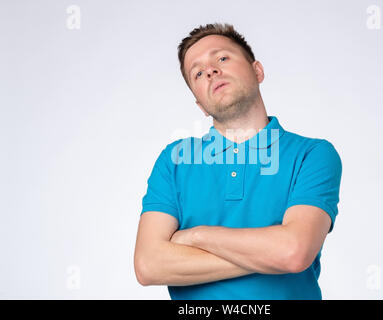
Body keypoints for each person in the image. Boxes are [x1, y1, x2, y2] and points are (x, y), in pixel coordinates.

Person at [134, 22, 342, 300]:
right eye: (197, 73)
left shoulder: (312, 154)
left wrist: (196, 237)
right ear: (199, 104)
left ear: (258, 71)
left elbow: (294, 252)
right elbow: (149, 265)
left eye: (222, 58)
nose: (210, 71)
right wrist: (270, 254)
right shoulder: (174, 160)